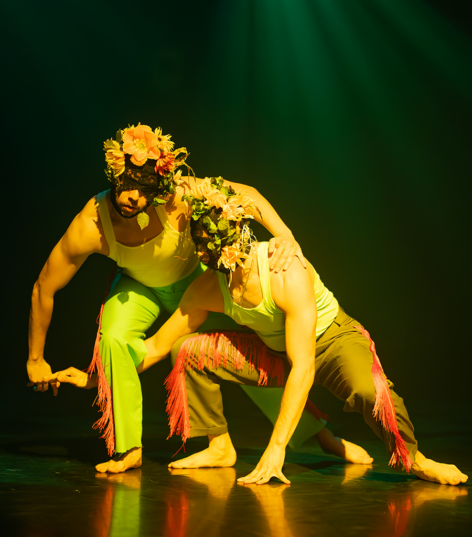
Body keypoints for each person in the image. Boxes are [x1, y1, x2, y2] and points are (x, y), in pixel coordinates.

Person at [53, 177, 465, 486]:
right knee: (190, 350)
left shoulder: (285, 270)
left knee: (368, 391)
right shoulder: (207, 288)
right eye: (204, 251)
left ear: (239, 237)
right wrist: (95, 377)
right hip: (277, 353)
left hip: (330, 343)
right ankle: (219, 446)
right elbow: (157, 346)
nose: (216, 257)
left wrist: (276, 449)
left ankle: (417, 459)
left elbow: (305, 366)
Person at [27, 123, 332, 473]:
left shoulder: (180, 196)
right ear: (115, 174)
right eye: (128, 187)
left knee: (238, 352)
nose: (134, 199)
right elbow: (44, 287)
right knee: (112, 337)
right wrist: (36, 358)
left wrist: (286, 235)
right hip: (140, 288)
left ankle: (318, 435)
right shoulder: (91, 224)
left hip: (197, 286)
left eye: (145, 191)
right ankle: (129, 449)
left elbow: (245, 193)